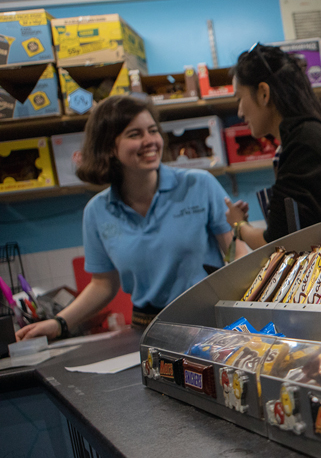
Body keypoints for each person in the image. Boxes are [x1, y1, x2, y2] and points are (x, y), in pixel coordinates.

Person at [16, 95, 241, 341]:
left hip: (211, 324)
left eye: (153, 131)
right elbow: (103, 285)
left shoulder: (199, 185)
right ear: (109, 147)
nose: (150, 142)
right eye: (135, 134)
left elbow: (236, 252)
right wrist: (59, 324)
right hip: (148, 330)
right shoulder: (97, 211)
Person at [225, 43, 321, 251]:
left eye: (239, 98)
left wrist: (238, 225)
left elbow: (275, 244)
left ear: (263, 93)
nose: (240, 112)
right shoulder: (308, 135)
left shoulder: (303, 144)